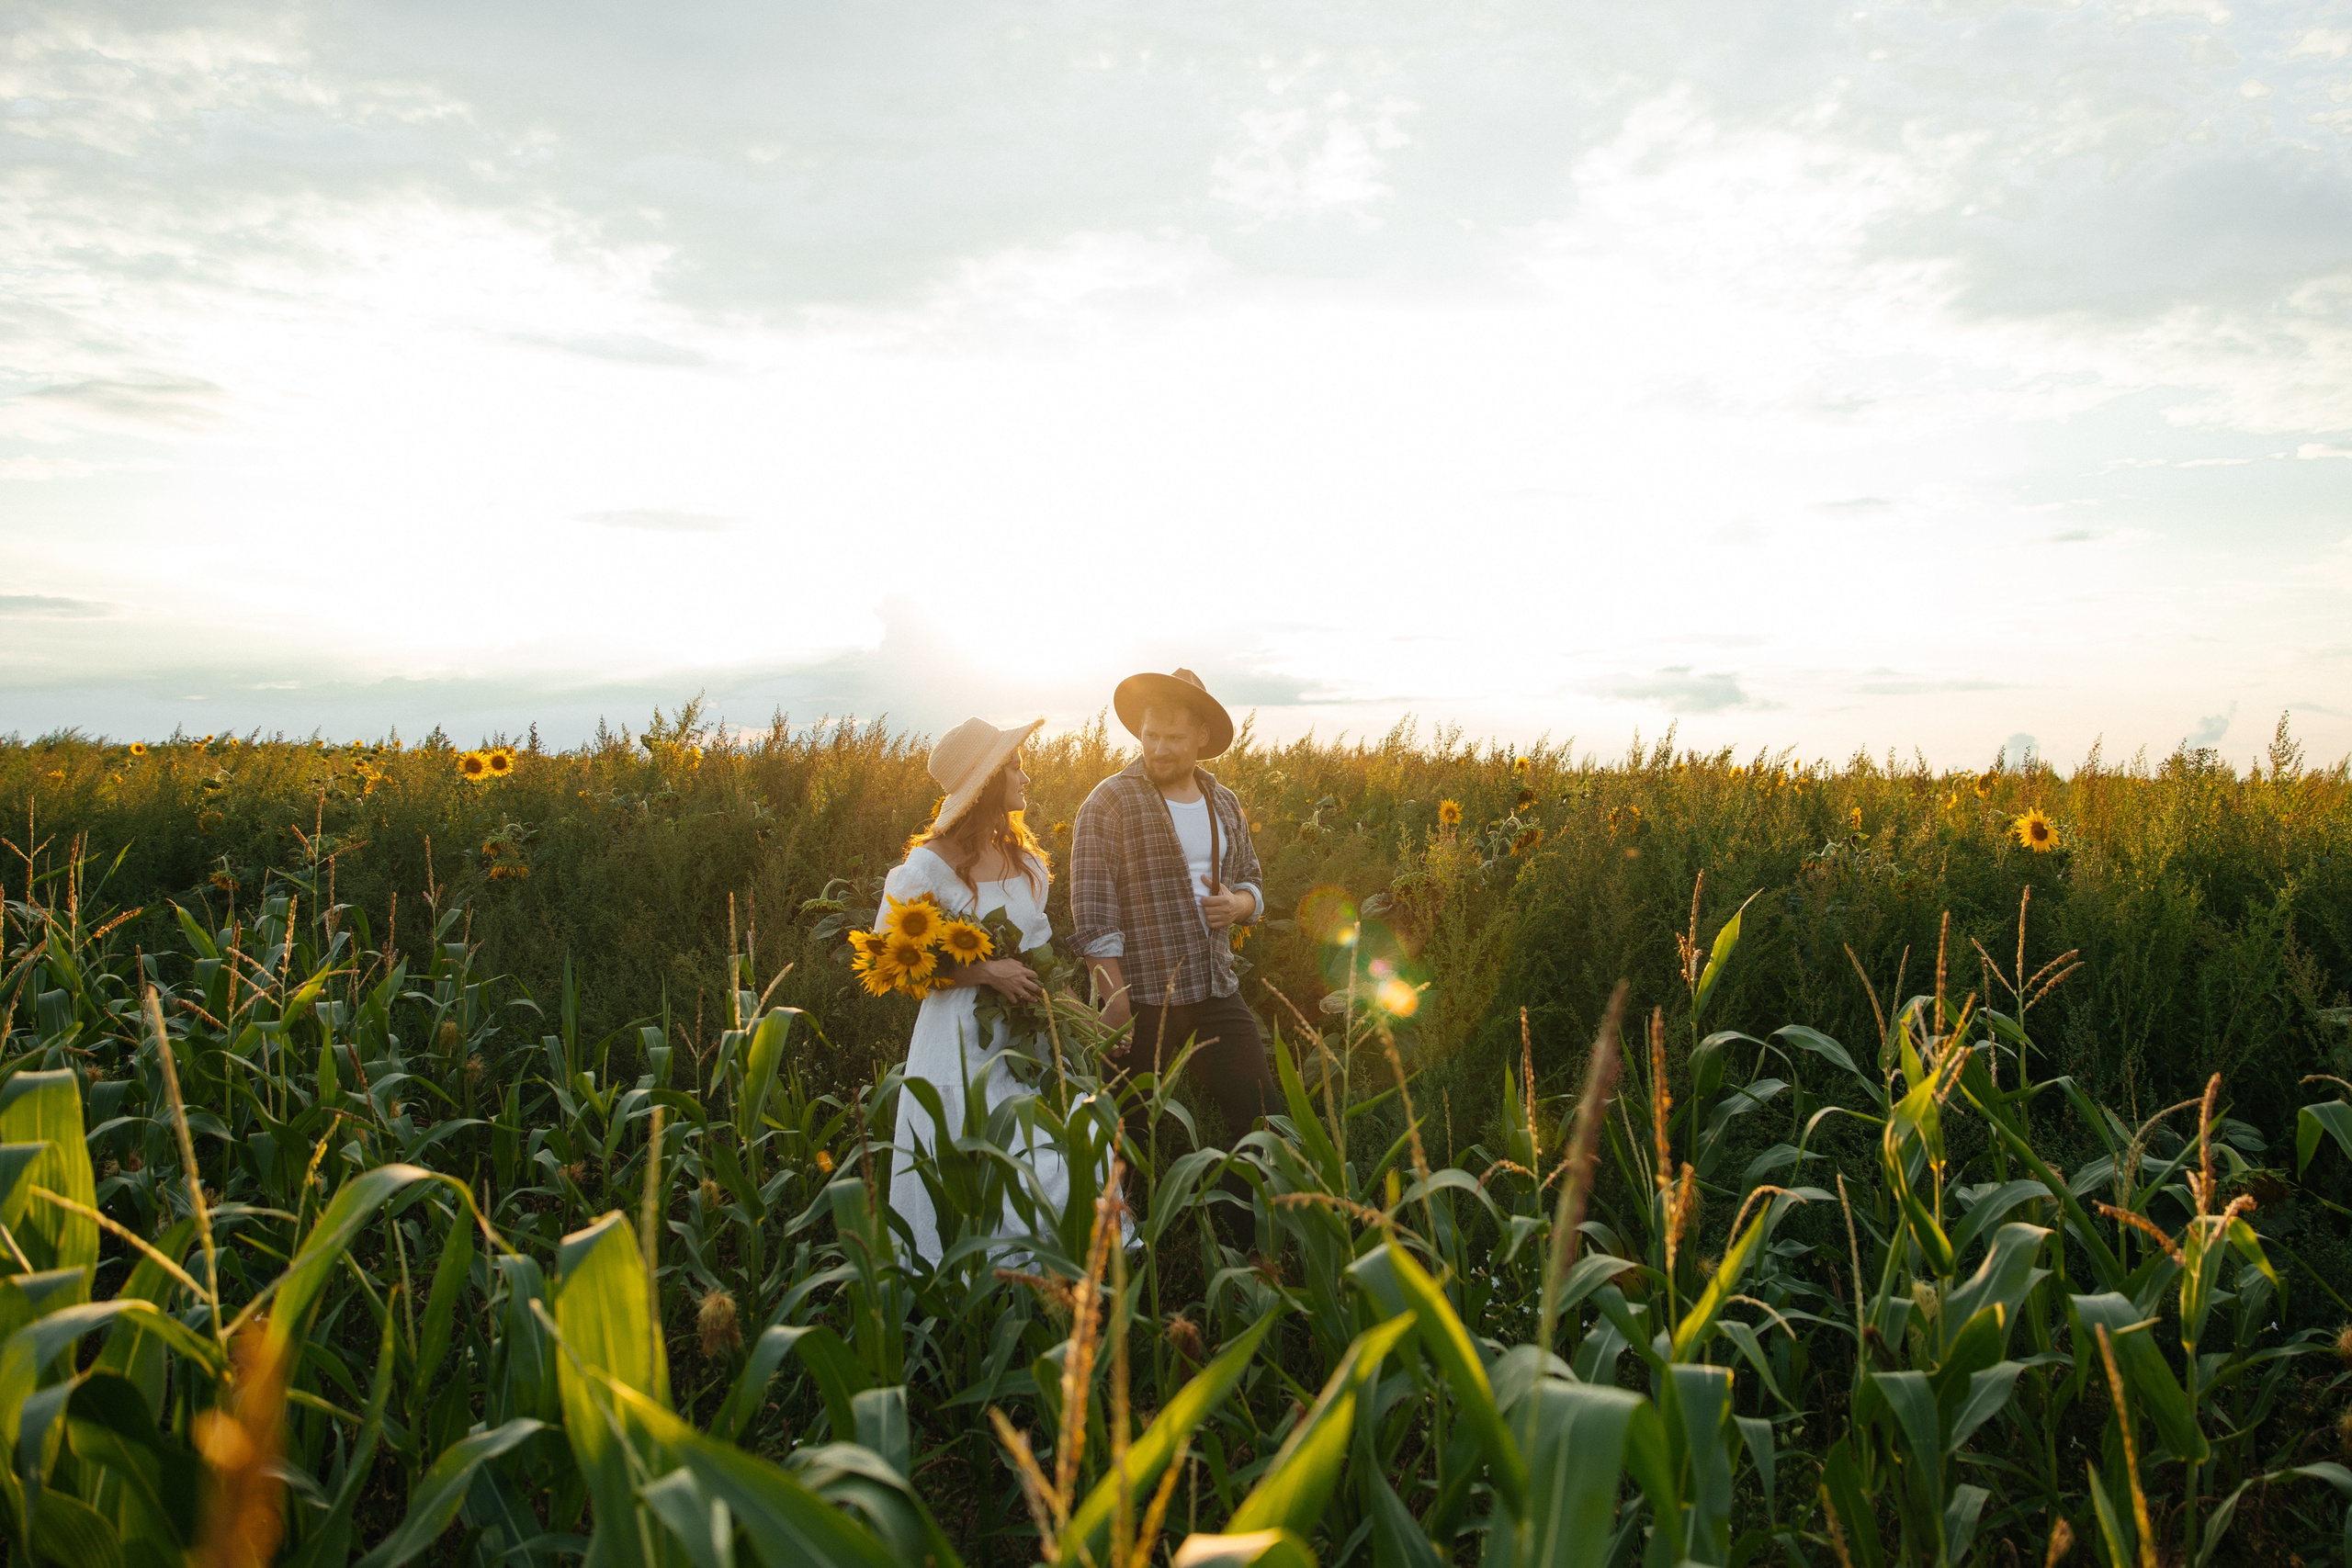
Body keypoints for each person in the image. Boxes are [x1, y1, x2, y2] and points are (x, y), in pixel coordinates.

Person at [877, 716, 1061, 1265]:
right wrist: (983, 972)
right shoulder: (929, 865)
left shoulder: (1028, 864)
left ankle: (1045, 1291)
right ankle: (967, 1297)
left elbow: (1041, 956)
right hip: (958, 1043)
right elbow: (893, 961)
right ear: (986, 784)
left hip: (1027, 1039)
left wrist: (1071, 1016)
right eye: (1015, 766)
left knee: (1048, 1162)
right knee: (967, 1162)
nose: (1026, 776)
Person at [1069, 668, 1279, 1146]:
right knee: (1125, 1137)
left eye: (1174, 738)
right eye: (1151, 735)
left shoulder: (1223, 802)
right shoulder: (1109, 801)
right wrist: (1113, 1000)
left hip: (1214, 987)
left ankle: (1247, 1217)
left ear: (1201, 737)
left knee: (1263, 1120)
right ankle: (1129, 1222)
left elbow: (1252, 881)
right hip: (1140, 996)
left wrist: (1239, 904)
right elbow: (1094, 912)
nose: (1159, 748)